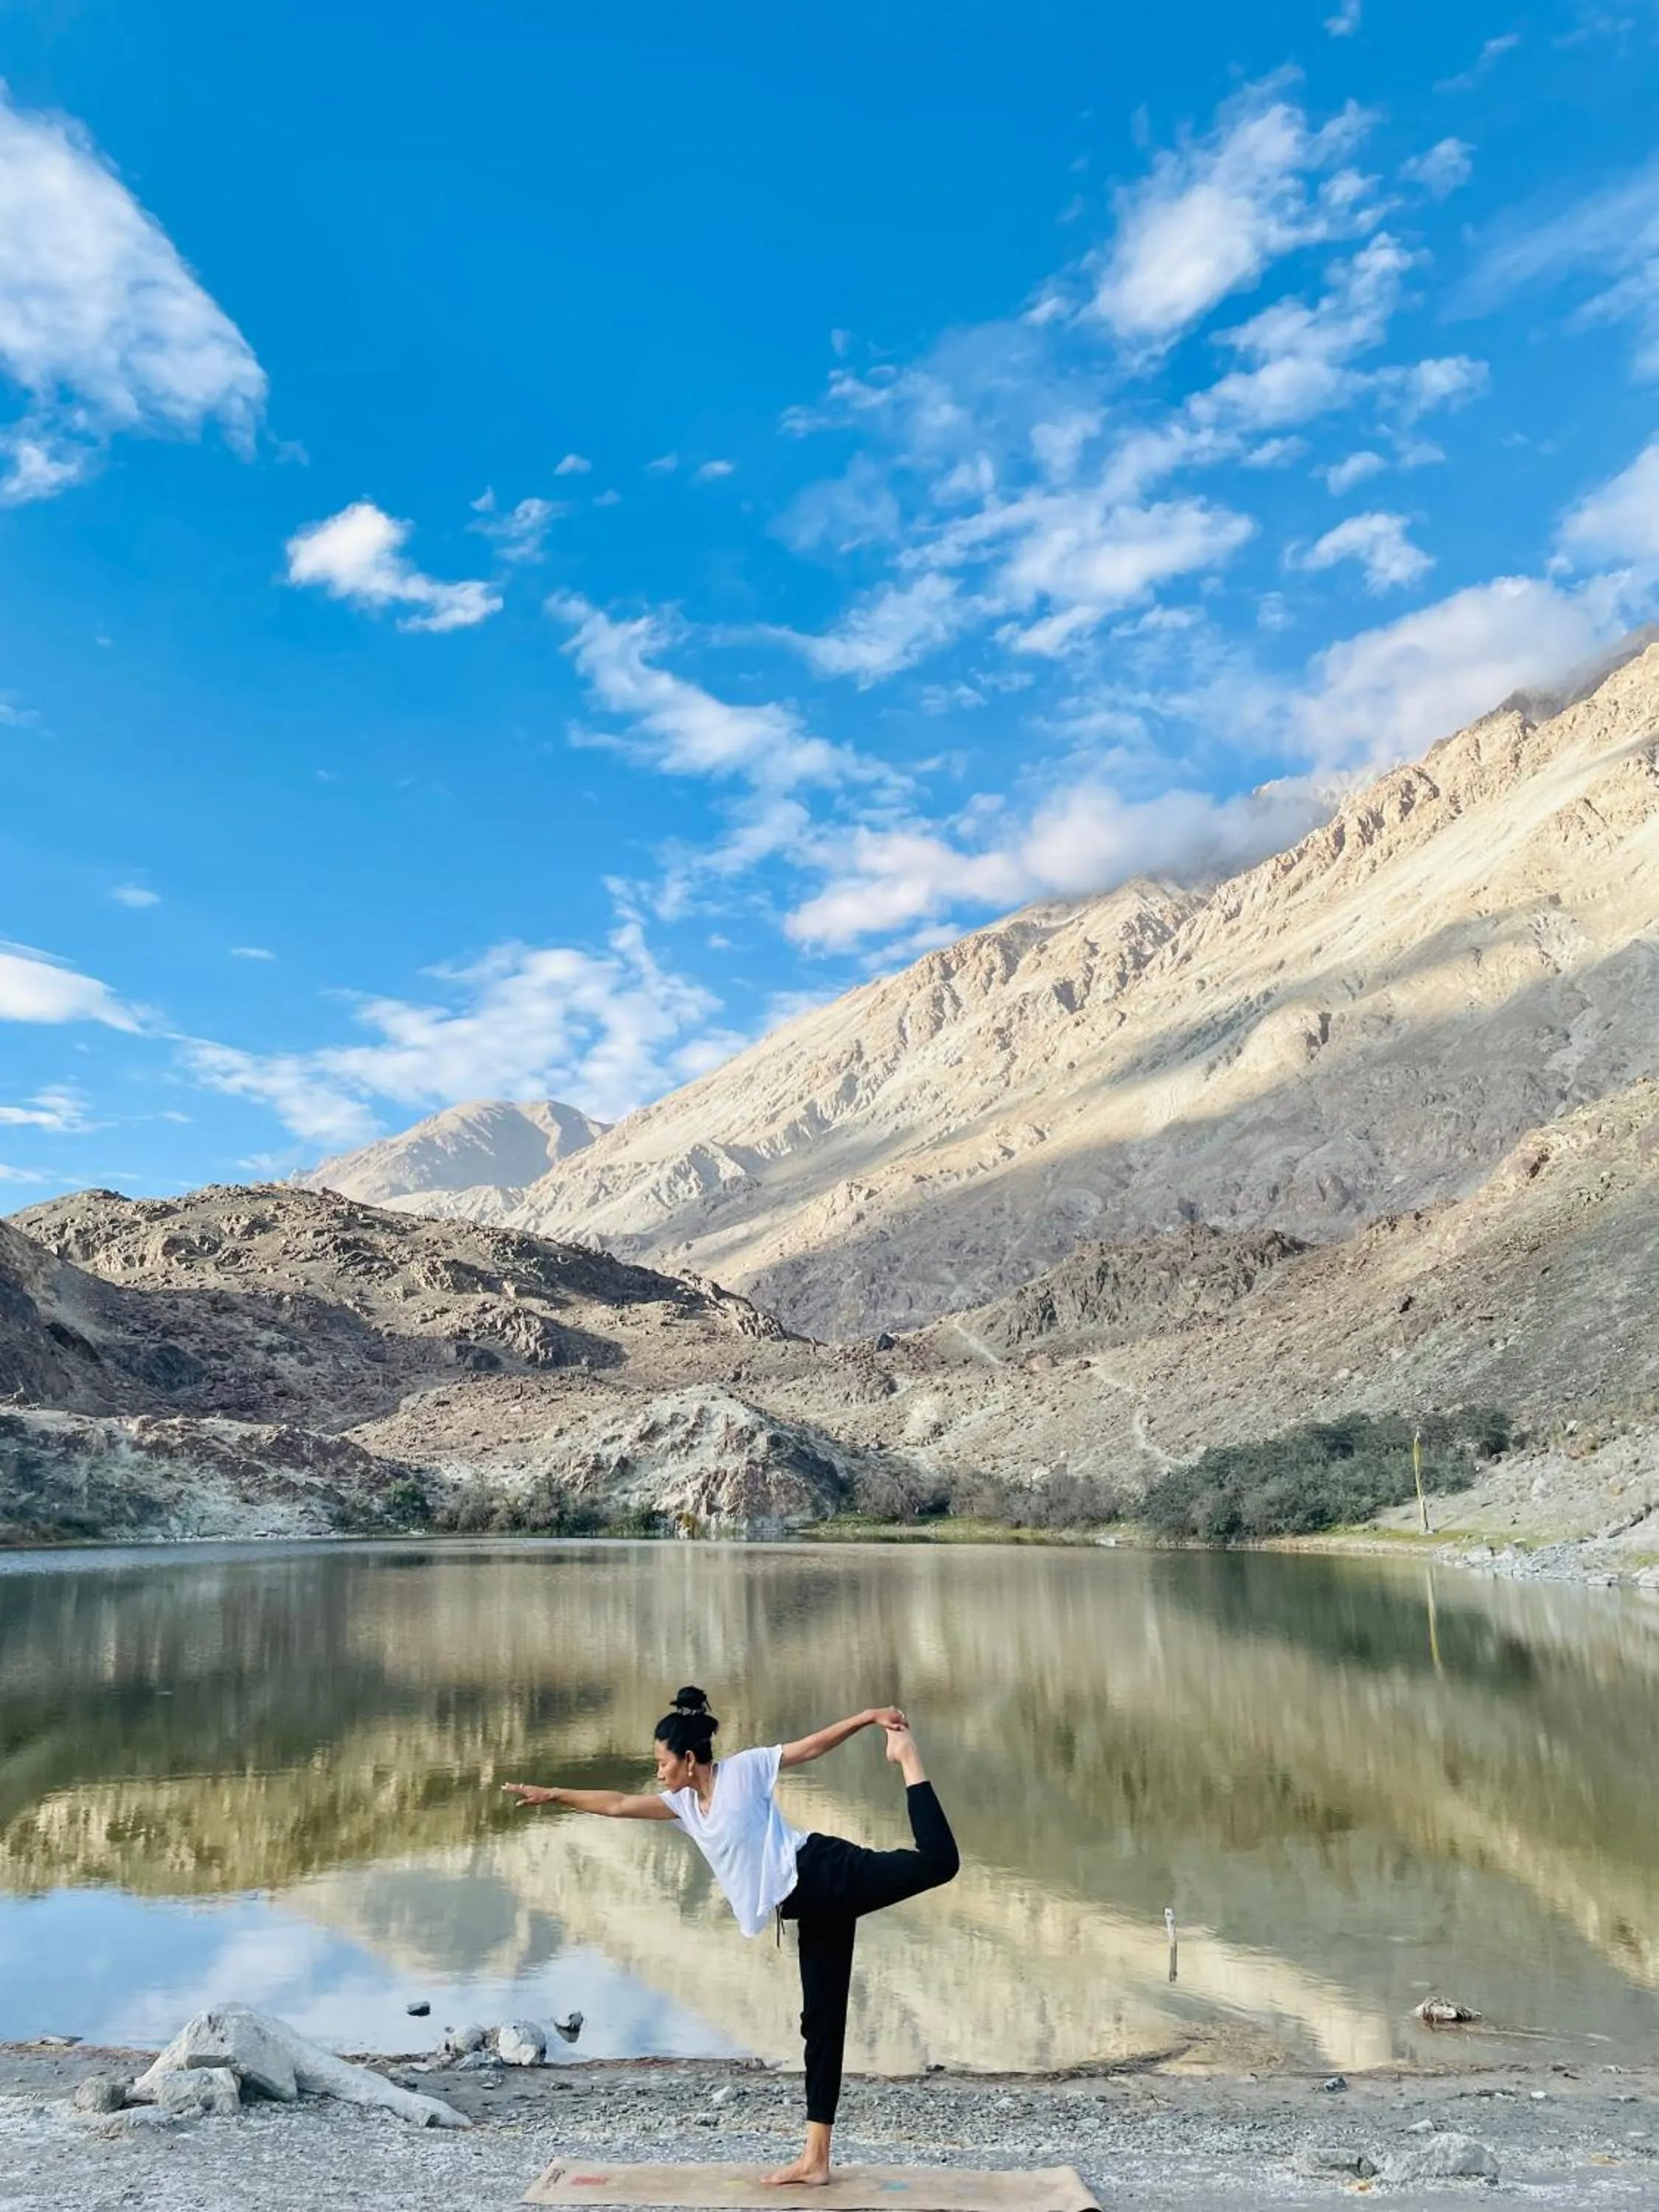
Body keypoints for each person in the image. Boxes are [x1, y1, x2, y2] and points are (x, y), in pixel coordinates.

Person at [501, 1686, 959, 2185]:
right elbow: (617, 1804)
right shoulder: (684, 1807)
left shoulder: (745, 1770)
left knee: (938, 1863)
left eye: (663, 1763)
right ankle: (816, 2159)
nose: (659, 1773)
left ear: (688, 1759)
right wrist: (553, 1794)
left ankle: (907, 1757)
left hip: (824, 1872)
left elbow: (811, 1747)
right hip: (810, 1907)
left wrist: (868, 1717)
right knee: (821, 2025)